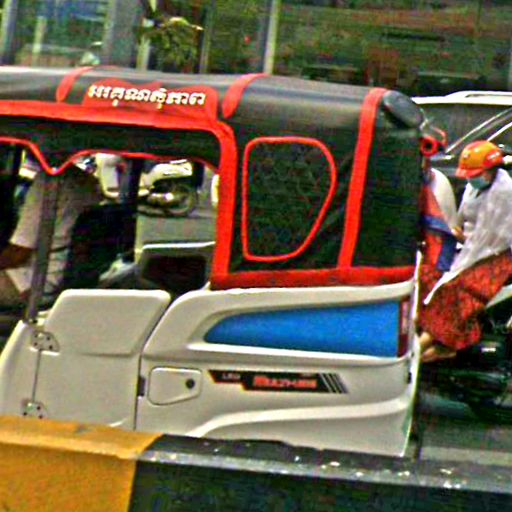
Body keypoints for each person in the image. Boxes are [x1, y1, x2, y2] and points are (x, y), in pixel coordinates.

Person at [418, 140, 512, 363]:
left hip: (497, 255)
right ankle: (424, 335)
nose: (471, 179)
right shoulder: (473, 188)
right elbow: (460, 221)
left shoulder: (504, 194)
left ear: (491, 171)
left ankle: (429, 344)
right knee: (428, 273)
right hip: (470, 248)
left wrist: (461, 238)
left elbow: (491, 239)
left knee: (457, 288)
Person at [0, 157, 102, 307]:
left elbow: (18, 253)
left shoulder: (49, 181)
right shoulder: (88, 181)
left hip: (34, 281)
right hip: (65, 274)